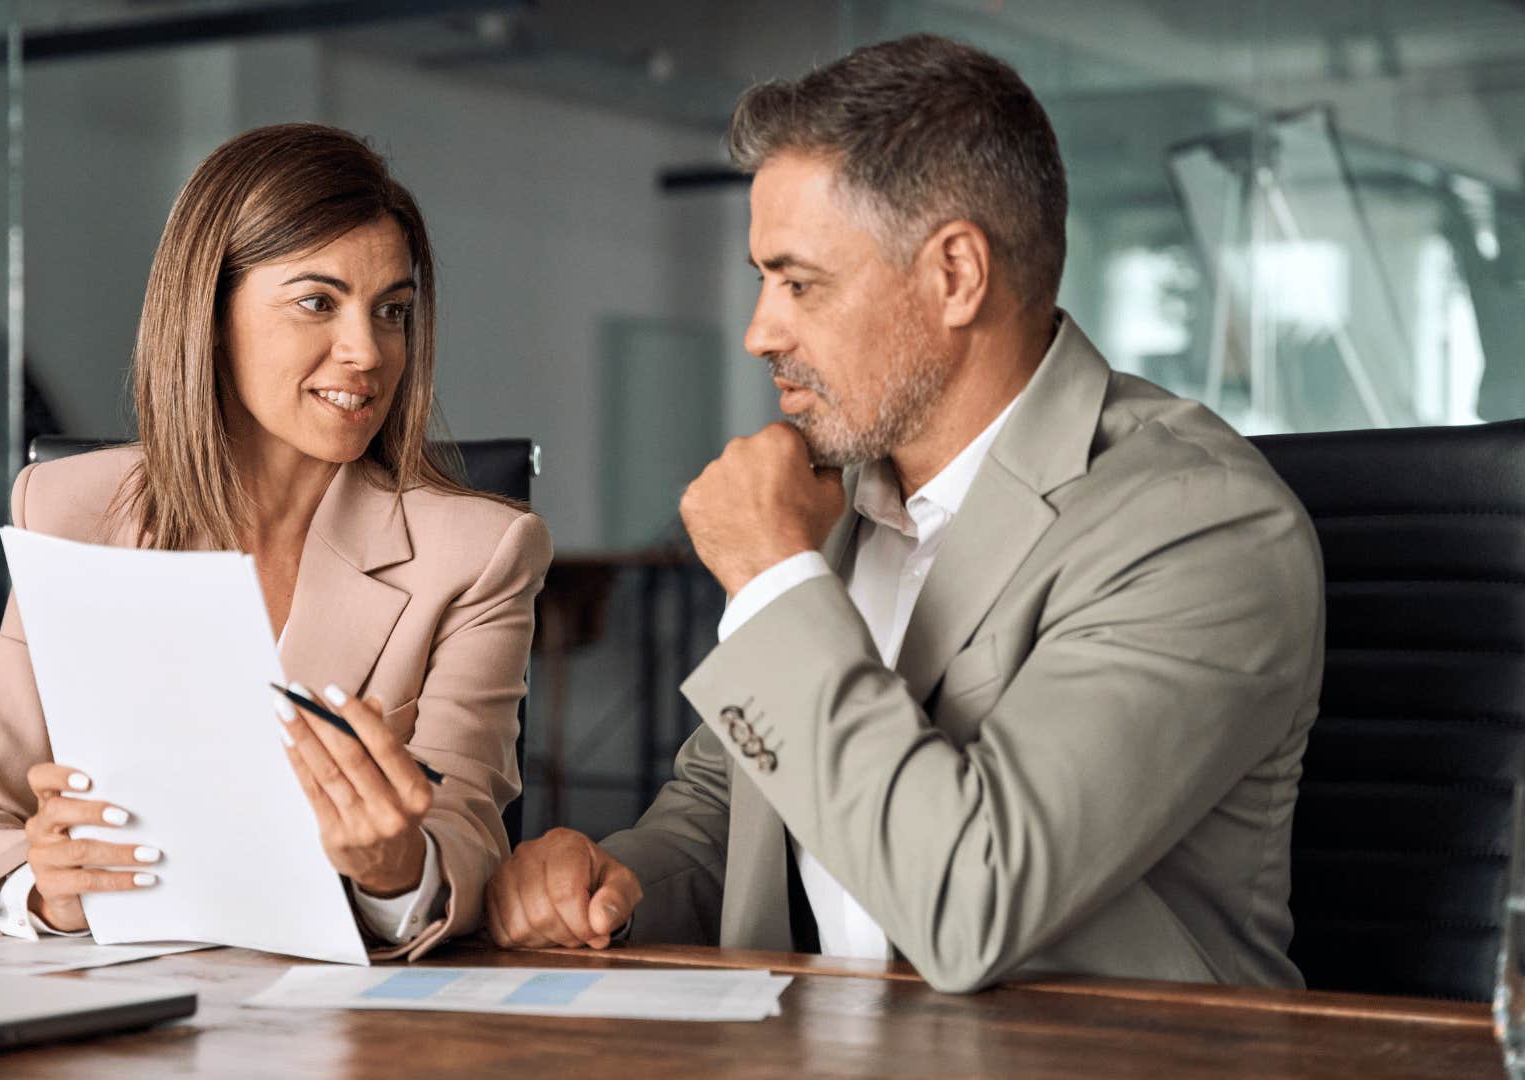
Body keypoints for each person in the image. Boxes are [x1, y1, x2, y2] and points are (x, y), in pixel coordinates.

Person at [484, 35, 1323, 993]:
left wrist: (771, 578)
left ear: (955, 275)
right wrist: (619, 882)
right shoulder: (838, 496)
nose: (761, 331)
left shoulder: (1197, 527)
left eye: (800, 282)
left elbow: (975, 899)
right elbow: (731, 802)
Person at [0, 124, 551, 960]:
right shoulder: (71, 510)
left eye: (393, 312)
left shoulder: (478, 553)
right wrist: (47, 889)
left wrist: (394, 869)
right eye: (318, 301)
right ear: (210, 311)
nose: (368, 352)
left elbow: (469, 841)